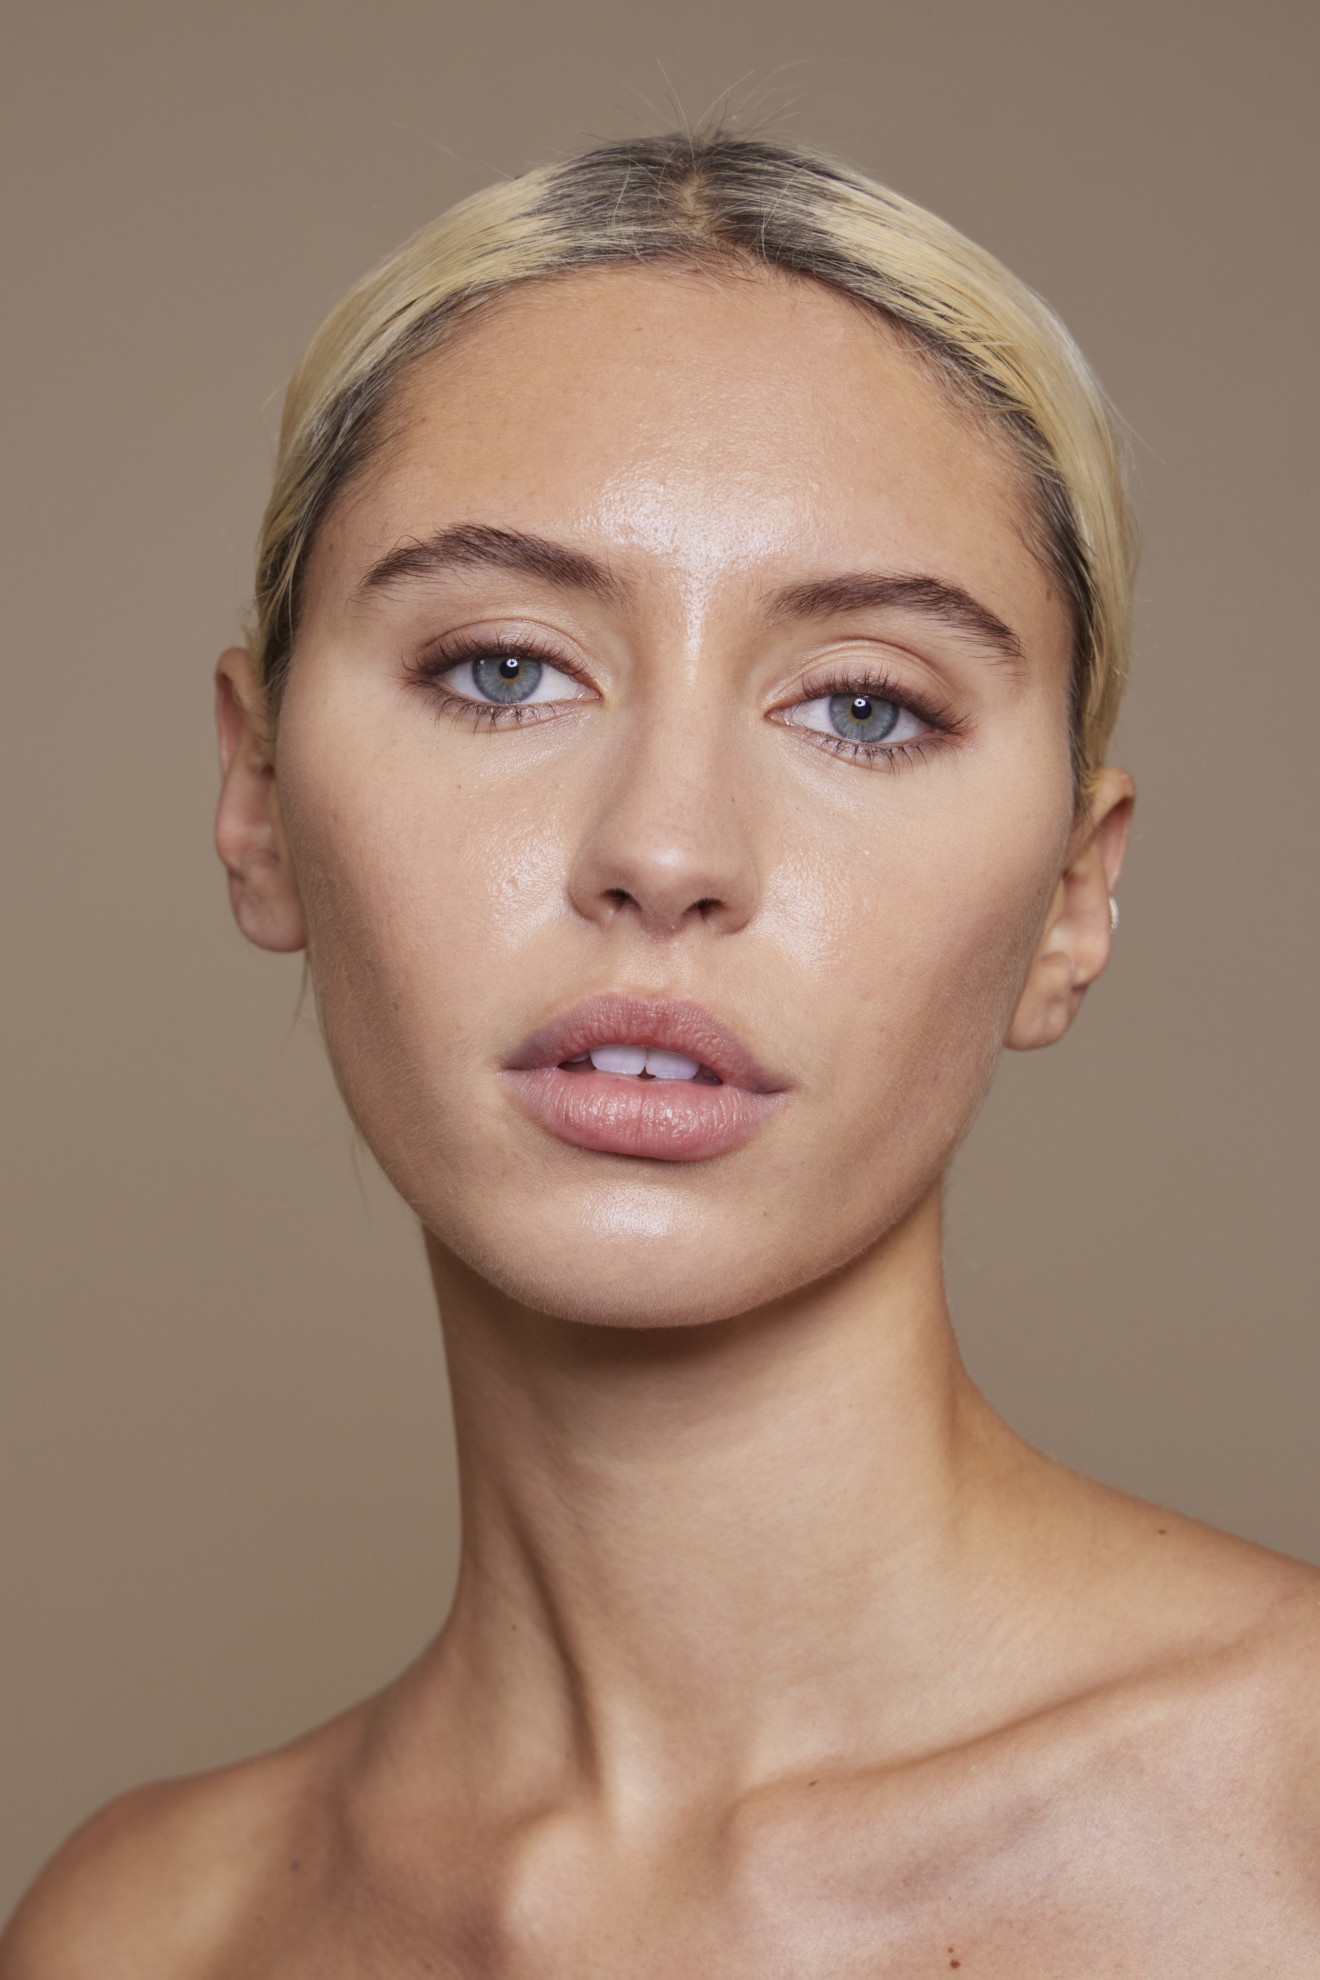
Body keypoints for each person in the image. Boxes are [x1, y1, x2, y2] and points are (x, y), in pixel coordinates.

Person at [3, 130, 1318, 1977]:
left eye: (864, 707)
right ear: (258, 797)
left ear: (1073, 901)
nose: (668, 849)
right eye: (503, 670)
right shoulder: (137, 1940)